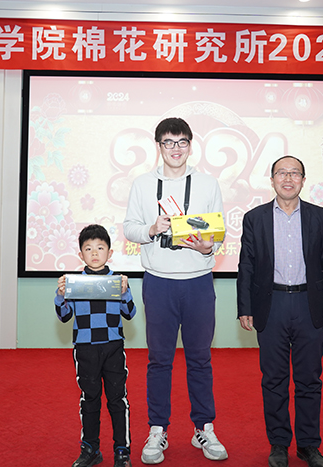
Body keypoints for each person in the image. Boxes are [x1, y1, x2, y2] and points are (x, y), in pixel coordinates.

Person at [123, 117, 228, 464]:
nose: (176, 149)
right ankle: (157, 429)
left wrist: (208, 248)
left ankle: (204, 427)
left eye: (182, 142)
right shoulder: (142, 184)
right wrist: (152, 228)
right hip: (159, 283)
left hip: (198, 282)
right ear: (159, 146)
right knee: (159, 360)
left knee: (200, 359)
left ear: (190, 145)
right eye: (168, 142)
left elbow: (219, 231)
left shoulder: (208, 183)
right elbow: (129, 228)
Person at [236, 155, 323, 467]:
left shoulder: (319, 217)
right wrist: (245, 307)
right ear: (272, 180)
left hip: (310, 305)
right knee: (274, 380)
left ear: (303, 181)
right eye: (282, 173)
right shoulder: (255, 218)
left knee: (310, 380)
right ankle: (279, 444)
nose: (288, 178)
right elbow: (246, 267)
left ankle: (309, 445)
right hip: (272, 306)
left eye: (294, 173)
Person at [55, 224, 137, 467]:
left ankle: (122, 451)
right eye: (88, 248)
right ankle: (90, 449)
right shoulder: (74, 283)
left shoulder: (118, 282)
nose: (94, 253)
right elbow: (64, 316)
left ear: (109, 253)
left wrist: (125, 292)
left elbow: (130, 313)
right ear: (80, 254)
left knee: (117, 399)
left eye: (100, 248)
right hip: (85, 348)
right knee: (90, 399)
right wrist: (60, 295)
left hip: (113, 347)